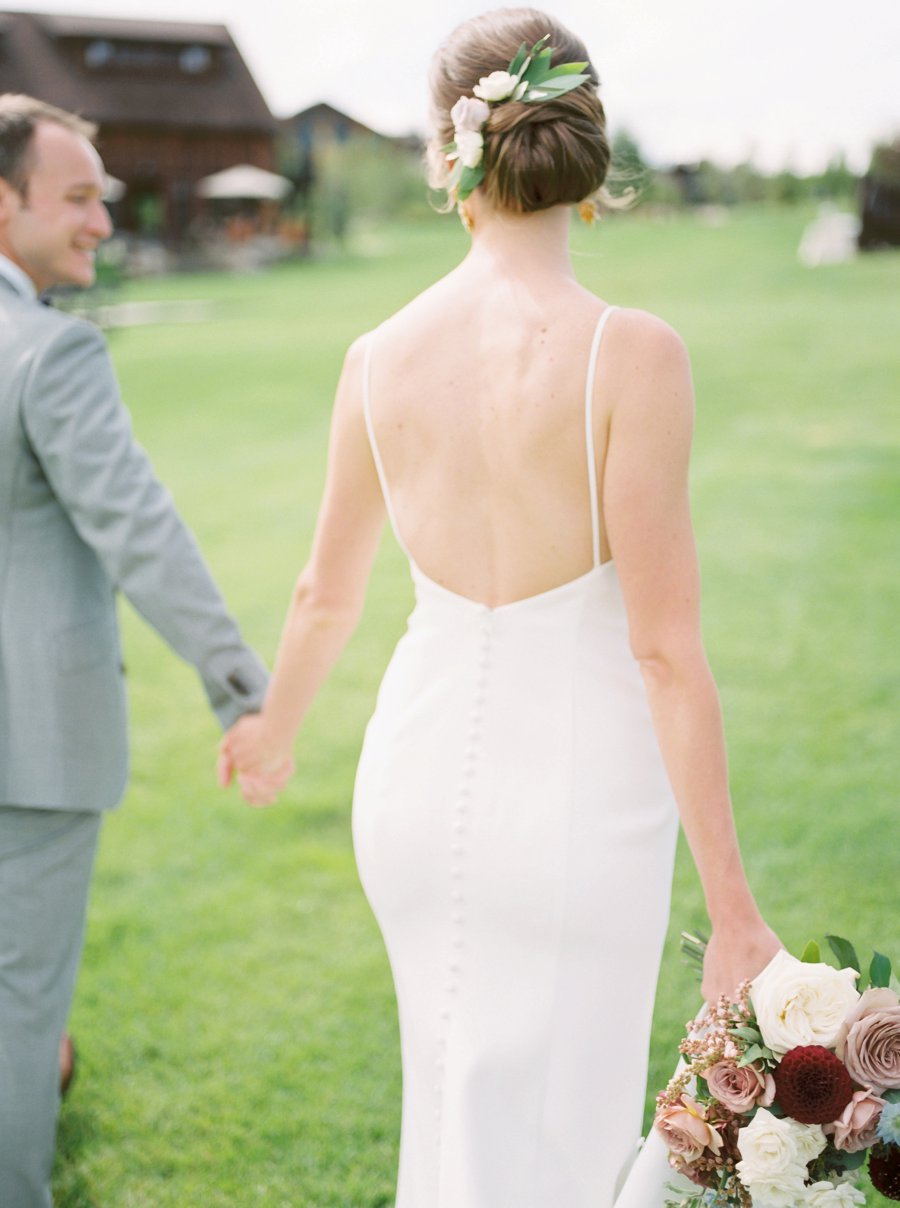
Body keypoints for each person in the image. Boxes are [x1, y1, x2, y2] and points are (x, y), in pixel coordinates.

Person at [219, 9, 781, 1205]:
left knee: (453, 1102)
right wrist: (734, 912)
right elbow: (666, 653)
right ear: (588, 161)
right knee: (566, 1133)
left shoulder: (376, 356)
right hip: (578, 797)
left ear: (449, 160)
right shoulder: (632, 353)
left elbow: (327, 590)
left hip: (412, 789)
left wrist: (273, 727)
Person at [0, 95, 286, 1208]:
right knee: (22, 1014)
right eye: (77, 198)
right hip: (27, 754)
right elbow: (143, 534)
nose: (102, 226)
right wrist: (245, 695)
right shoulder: (51, 354)